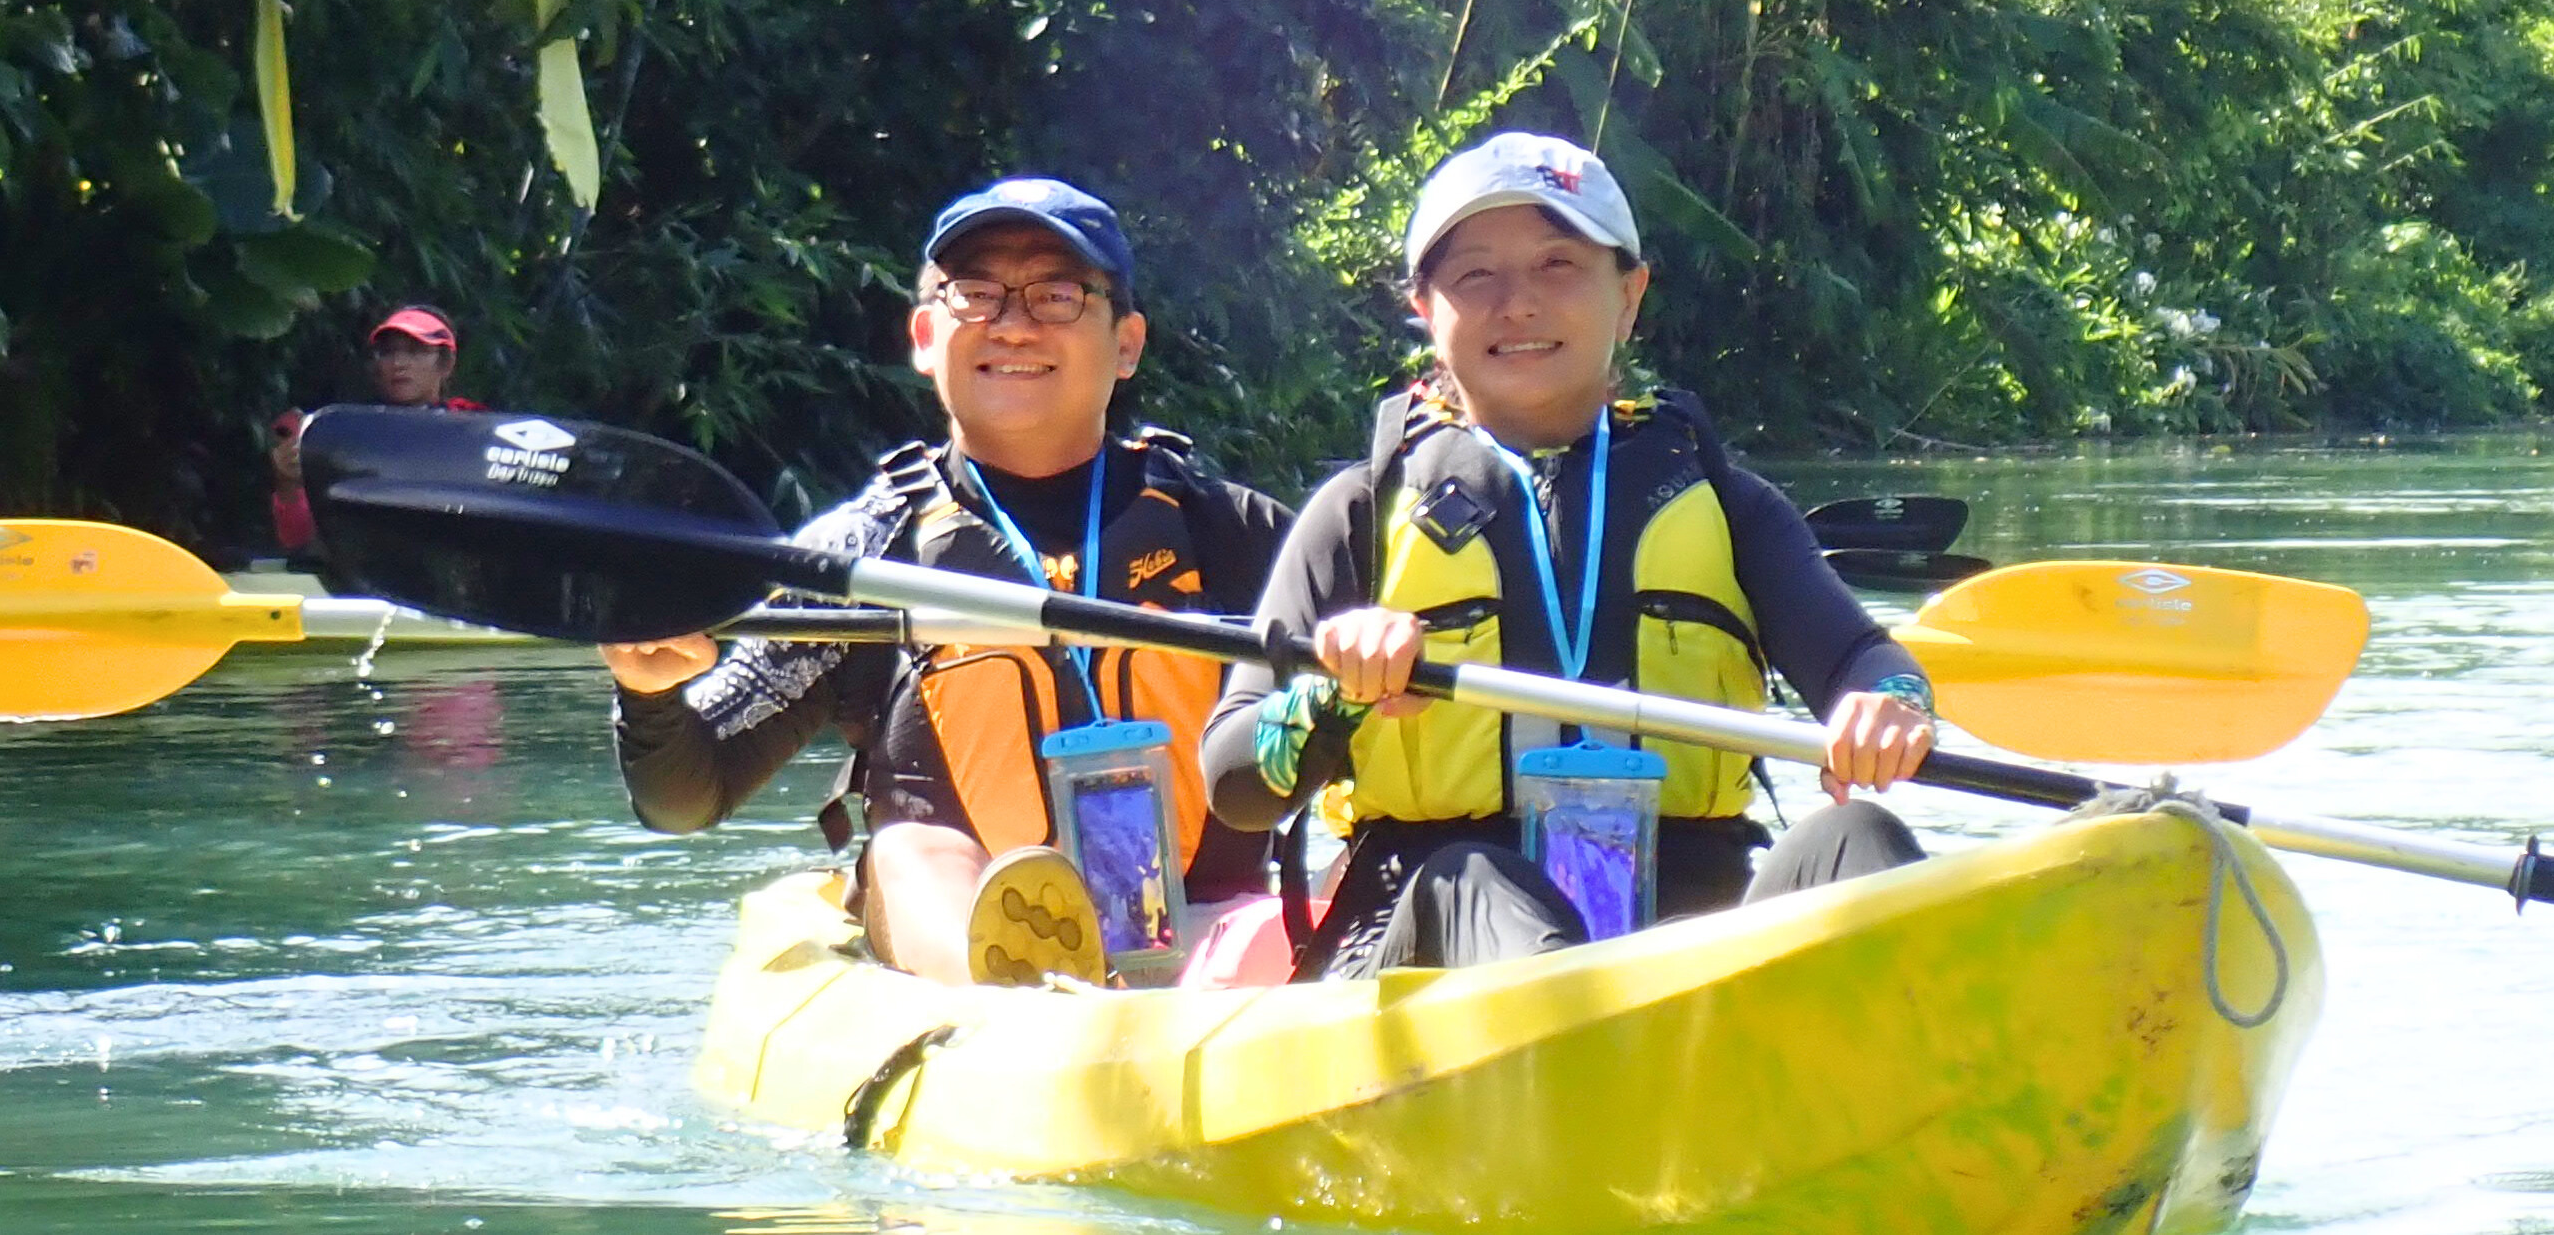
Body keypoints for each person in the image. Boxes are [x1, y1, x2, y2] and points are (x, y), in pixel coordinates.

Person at [1198, 131, 1936, 978]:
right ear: (1423, 307)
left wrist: (1890, 701)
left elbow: (1862, 656)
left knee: (1858, 837)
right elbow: (1233, 780)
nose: (1517, 303)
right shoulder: (1357, 514)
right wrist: (1331, 693)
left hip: (1689, 943)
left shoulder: (1729, 507)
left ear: (1628, 294)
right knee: (1475, 882)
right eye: (1475, 275)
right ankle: (1591, 1060)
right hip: (1426, 936)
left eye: (1557, 265)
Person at [601, 179, 1293, 987]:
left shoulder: (1234, 533)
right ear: (926, 335)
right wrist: (648, 695)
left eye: (1057, 294)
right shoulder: (861, 557)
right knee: (909, 850)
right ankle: (1015, 978)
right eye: (975, 294)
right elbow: (686, 795)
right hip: (960, 957)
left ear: (1127, 342)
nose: (1012, 322)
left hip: (1212, 931)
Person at [268, 305, 478, 557]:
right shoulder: (347, 434)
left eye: (415, 351)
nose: (399, 363)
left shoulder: (473, 430)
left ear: (446, 364)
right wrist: (288, 483)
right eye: (387, 353)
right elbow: (297, 538)